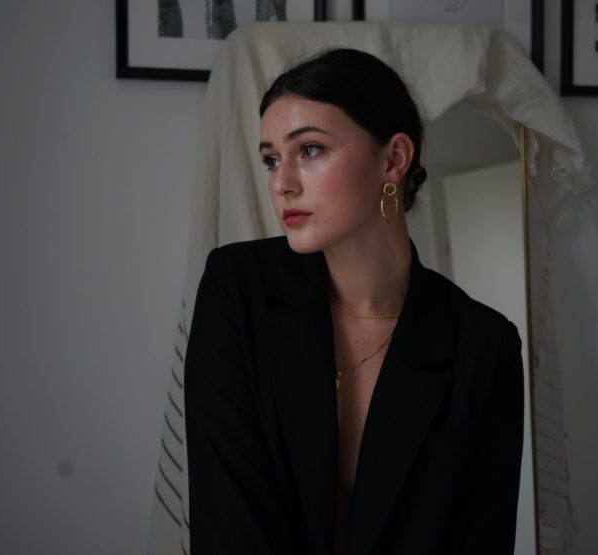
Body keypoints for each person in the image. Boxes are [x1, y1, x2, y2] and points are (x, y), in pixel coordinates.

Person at [184, 48, 524, 554]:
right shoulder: (237, 289)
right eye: (271, 159)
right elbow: (227, 520)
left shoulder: (483, 346)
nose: (281, 183)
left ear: (393, 158)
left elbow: (479, 540)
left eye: (310, 150)